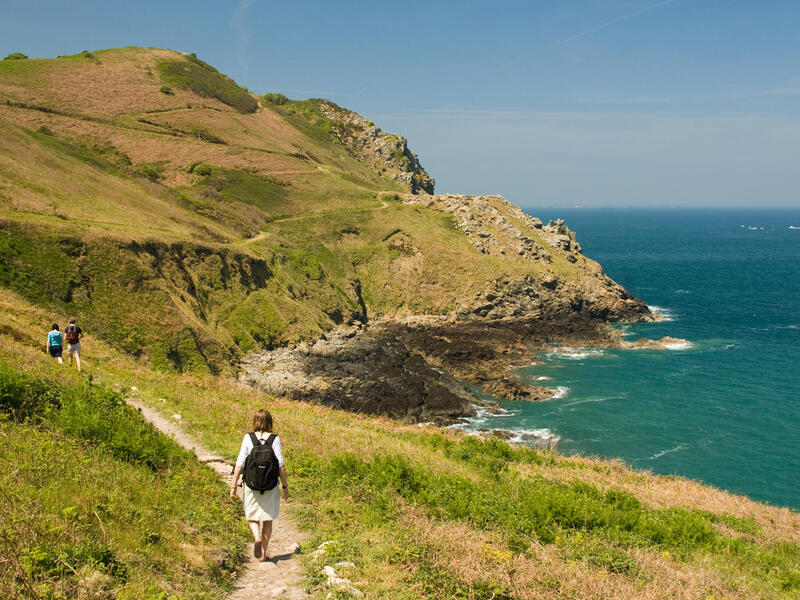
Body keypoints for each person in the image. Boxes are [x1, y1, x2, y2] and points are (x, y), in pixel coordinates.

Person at [229, 409, 289, 562]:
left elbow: (240, 463)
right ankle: (263, 553)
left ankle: (256, 537)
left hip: (251, 483)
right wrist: (285, 487)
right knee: (268, 519)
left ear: (255, 421)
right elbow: (280, 465)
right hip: (270, 484)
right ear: (269, 422)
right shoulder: (275, 439)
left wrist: (233, 486)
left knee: (251, 515)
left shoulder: (248, 438)